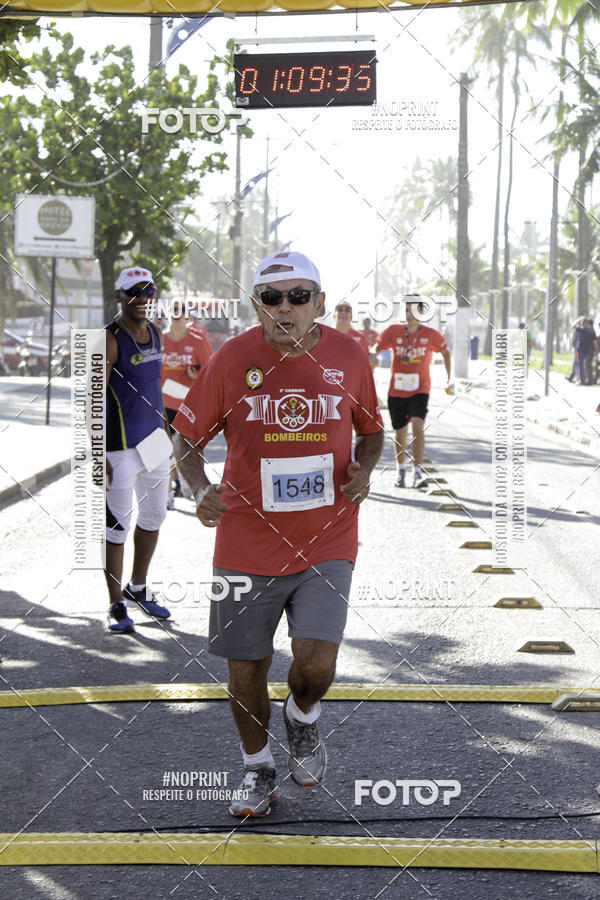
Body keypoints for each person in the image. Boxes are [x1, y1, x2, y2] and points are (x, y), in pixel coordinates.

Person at [172, 250, 384, 817]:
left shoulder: (349, 355)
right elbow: (186, 437)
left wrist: (364, 470)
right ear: (256, 306)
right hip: (245, 540)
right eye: (271, 299)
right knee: (245, 669)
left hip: (328, 536)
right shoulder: (231, 359)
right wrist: (199, 488)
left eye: (298, 297)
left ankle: (302, 714)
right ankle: (257, 767)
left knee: (316, 664)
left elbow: (371, 431)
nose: (284, 308)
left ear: (319, 303)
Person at [104, 266, 172, 634]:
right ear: (119, 296)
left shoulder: (156, 333)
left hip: (155, 443)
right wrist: (96, 452)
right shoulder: (109, 338)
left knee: (154, 517)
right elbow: (91, 397)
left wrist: (168, 433)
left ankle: (138, 588)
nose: (142, 297)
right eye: (134, 291)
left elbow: (155, 386)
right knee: (117, 526)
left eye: (148, 291)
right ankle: (116, 603)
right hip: (119, 448)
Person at [374, 295, 452, 489]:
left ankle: (417, 472)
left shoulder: (430, 335)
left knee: (417, 425)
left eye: (414, 310)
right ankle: (400, 470)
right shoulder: (393, 331)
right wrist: (370, 358)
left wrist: (449, 378)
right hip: (396, 390)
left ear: (422, 312)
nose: (409, 314)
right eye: (407, 310)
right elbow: (376, 349)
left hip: (419, 389)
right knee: (400, 433)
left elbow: (446, 352)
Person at [161, 300, 212, 508]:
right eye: (173, 310)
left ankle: (188, 481)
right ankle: (166, 495)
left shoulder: (198, 342)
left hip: (188, 405)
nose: (177, 314)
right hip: (162, 404)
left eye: (181, 311)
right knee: (164, 450)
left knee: (187, 450)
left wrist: (195, 372)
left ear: (187, 316)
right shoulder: (159, 340)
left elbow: (210, 371)